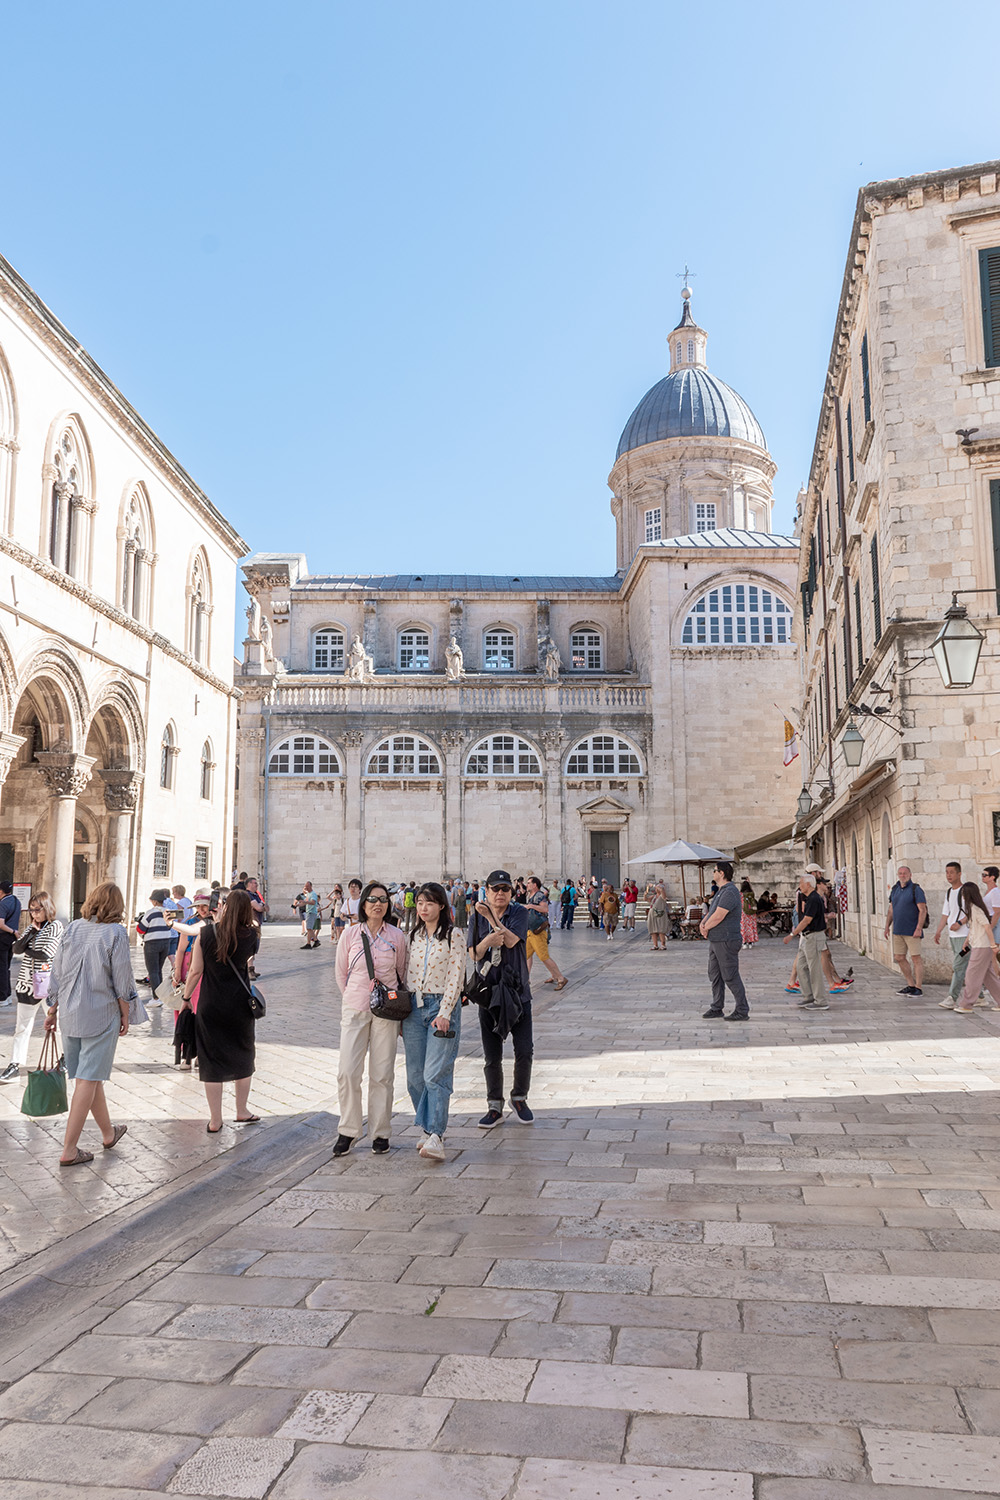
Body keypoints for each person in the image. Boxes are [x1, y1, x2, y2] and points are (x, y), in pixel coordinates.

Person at [43, 881, 136, 1166]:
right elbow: (122, 979)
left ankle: (108, 1133)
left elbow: (57, 971)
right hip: (100, 1012)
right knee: (88, 1078)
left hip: (70, 1012)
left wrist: (52, 1009)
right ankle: (69, 1149)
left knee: (90, 1076)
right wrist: (125, 1013)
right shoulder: (116, 933)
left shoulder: (72, 928)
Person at [333, 880, 408, 1156]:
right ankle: (348, 1129)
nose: (378, 904)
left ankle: (380, 1132)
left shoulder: (397, 937)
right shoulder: (350, 935)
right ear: (363, 904)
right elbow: (341, 972)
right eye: (373, 899)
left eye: (383, 900)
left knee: (382, 1073)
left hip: (386, 1012)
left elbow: (402, 973)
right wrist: (353, 996)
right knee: (348, 1071)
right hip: (355, 1008)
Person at [183, 888, 260, 1132]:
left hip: (210, 1005)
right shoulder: (252, 936)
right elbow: (246, 959)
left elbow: (195, 971)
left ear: (224, 907)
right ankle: (242, 1110)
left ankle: (215, 1120)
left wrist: (186, 997)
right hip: (240, 1006)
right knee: (243, 1055)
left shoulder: (205, 934)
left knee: (211, 1060)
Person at [402, 882, 466, 1161]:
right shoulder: (412, 936)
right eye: (419, 903)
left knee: (435, 1074)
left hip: (441, 1008)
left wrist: (445, 1012)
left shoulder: (454, 935)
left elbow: (456, 976)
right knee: (415, 1077)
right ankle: (427, 1129)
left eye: (429, 903)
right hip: (414, 1008)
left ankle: (437, 1135)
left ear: (442, 905)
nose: (423, 908)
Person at [468, 870, 533, 1127]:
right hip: (489, 994)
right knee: (492, 1054)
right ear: (486, 890)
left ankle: (519, 1097)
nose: (500, 893)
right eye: (495, 889)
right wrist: (487, 940)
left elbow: (510, 941)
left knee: (524, 1050)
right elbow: (474, 954)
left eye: (505, 889)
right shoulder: (476, 918)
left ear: (511, 892)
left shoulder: (519, 913)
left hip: (517, 992)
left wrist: (491, 917)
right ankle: (494, 1105)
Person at [0, 893, 64, 1084]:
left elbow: (45, 953)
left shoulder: (56, 926)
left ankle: (65, 1056)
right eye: (32, 909)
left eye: (38, 909)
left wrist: (27, 946)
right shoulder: (31, 928)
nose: (34, 914)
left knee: (57, 1025)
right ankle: (15, 1064)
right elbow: (16, 948)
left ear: (47, 908)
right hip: (26, 985)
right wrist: (31, 936)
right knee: (22, 1027)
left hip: (47, 985)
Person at [700, 862, 749, 1021]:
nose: (713, 873)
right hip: (716, 940)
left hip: (726, 939)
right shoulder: (721, 892)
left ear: (721, 873)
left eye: (714, 871)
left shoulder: (731, 892)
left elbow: (720, 915)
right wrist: (703, 923)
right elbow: (712, 912)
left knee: (730, 975)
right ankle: (717, 1007)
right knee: (715, 975)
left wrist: (705, 927)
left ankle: (742, 1009)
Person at [170, 893, 213, 1068]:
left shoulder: (214, 923)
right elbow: (180, 949)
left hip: (204, 968)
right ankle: (187, 1053)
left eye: (205, 906)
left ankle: (199, 1053)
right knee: (185, 1011)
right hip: (189, 964)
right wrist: (177, 972)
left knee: (200, 1010)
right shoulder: (189, 922)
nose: (202, 909)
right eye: (198, 906)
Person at [783, 873, 829, 1009]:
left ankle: (820, 1001)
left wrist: (792, 934)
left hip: (813, 937)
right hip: (806, 937)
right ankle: (808, 996)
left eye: (801, 883)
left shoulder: (814, 899)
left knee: (814, 969)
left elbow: (807, 920)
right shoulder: (808, 898)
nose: (799, 886)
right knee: (801, 967)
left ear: (808, 884)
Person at [953, 882, 1000, 1014]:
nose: (962, 896)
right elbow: (974, 927)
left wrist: (992, 945)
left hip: (982, 947)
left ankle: (967, 1004)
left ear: (968, 894)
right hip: (979, 945)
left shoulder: (976, 909)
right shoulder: (973, 908)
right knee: (989, 976)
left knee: (971, 975)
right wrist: (967, 941)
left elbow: (987, 926)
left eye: (963, 894)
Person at [884, 865, 928, 996]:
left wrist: (919, 928)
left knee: (916, 958)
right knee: (899, 957)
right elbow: (891, 909)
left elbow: (923, 910)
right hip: (898, 930)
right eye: (900, 873)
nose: (902, 875)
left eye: (905, 873)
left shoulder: (916, 889)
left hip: (912, 930)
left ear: (910, 875)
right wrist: (887, 926)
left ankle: (918, 987)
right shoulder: (895, 889)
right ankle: (910, 984)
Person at [934, 861, 972, 1011]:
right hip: (953, 936)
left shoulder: (966, 891)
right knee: (966, 967)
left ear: (959, 874)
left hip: (965, 936)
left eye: (951, 872)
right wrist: (939, 931)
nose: (948, 875)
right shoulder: (949, 892)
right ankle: (980, 995)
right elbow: (945, 913)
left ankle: (952, 997)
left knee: (958, 966)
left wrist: (960, 922)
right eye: (947, 872)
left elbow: (973, 910)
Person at [525, 876, 568, 989]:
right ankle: (526, 978)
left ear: (535, 885)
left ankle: (560, 978)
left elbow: (545, 909)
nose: (527, 885)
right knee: (526, 955)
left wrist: (530, 906)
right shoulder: (531, 895)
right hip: (530, 930)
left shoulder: (539, 895)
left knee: (543, 956)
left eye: (529, 883)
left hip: (538, 931)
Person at [137, 889, 172, 1004]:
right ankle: (160, 996)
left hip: (152, 943)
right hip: (165, 942)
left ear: (155, 901)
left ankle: (156, 998)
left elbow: (141, 929)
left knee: (152, 971)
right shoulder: (168, 912)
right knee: (158, 970)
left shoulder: (150, 913)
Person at [0, 880, 23, 1009]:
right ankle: (8, 995)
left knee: (1, 968)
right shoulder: (16, 901)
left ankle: (2, 997)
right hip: (11, 939)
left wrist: (12, 930)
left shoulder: (3, 904)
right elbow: (18, 919)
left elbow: (1, 924)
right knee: (6, 967)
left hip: (3, 937)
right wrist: (14, 931)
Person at [647, 882, 668, 949]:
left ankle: (663, 945)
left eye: (657, 888)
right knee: (653, 930)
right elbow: (647, 899)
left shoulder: (663, 895)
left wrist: (654, 885)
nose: (656, 889)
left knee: (661, 930)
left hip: (660, 915)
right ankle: (655, 945)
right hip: (652, 914)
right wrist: (645, 894)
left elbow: (662, 890)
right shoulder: (654, 896)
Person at [301, 884, 322, 949]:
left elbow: (313, 902)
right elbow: (306, 902)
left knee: (309, 928)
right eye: (305, 886)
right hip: (309, 912)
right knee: (309, 928)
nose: (306, 887)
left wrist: (305, 902)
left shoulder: (313, 894)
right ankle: (309, 943)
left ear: (310, 886)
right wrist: (297, 905)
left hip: (311, 912)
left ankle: (315, 941)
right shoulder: (309, 894)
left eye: (307, 886)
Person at [983, 866, 1000, 941]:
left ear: (992, 877)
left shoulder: (995, 892)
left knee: (993, 949)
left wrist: (990, 927)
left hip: (994, 921)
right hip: (989, 919)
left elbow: (997, 912)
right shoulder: (988, 891)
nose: (983, 877)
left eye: (985, 875)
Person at [739, 878, 758, 947]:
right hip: (752, 912)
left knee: (744, 927)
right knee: (751, 927)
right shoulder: (752, 893)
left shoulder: (740, 894)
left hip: (743, 913)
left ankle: (744, 942)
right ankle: (751, 941)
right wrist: (749, 882)